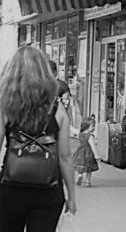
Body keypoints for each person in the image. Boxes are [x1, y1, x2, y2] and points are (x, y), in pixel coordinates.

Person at [0, 46, 76, 231]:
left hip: (10, 188)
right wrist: (72, 196)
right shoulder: (57, 108)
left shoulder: (5, 107)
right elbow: (65, 157)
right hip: (48, 192)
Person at [73, 116, 100, 187]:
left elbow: (74, 131)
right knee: (89, 168)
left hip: (80, 151)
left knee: (81, 166)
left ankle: (80, 175)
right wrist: (96, 155)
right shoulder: (90, 136)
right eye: (93, 126)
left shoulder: (80, 134)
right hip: (88, 153)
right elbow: (93, 146)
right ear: (87, 126)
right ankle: (87, 181)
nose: (94, 128)